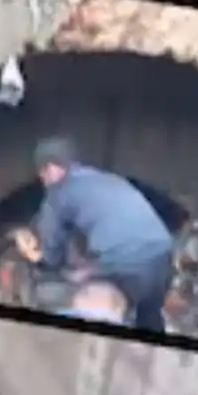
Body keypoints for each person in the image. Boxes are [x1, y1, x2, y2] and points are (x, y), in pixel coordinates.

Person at [24, 137, 176, 333]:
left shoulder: (58, 193)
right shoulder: (105, 179)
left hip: (127, 262)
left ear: (52, 169)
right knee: (148, 313)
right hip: (163, 254)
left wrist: (41, 260)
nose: (43, 181)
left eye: (42, 174)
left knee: (79, 295)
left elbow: (53, 255)